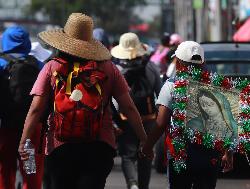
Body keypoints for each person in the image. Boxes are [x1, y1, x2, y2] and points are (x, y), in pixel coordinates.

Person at [18, 13, 149, 189]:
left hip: (59, 146)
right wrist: (144, 139)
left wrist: (24, 141)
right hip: (99, 146)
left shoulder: (52, 67)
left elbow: (36, 109)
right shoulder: (108, 68)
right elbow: (129, 108)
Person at [142, 41, 234, 189]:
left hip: (180, 154)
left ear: (178, 63)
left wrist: (147, 147)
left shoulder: (171, 86)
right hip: (210, 155)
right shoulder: (217, 86)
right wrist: (228, 153)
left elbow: (161, 123)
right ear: (203, 63)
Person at [111, 32, 162, 189]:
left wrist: (114, 121)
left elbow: (113, 99)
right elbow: (159, 93)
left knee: (127, 155)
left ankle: (132, 184)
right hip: (149, 119)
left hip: (126, 119)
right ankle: (143, 186)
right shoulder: (151, 67)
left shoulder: (116, 69)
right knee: (145, 154)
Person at [0, 26, 44, 189]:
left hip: (6, 129)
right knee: (31, 170)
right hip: (32, 130)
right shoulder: (39, 65)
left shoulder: (1, 64)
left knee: (5, 169)